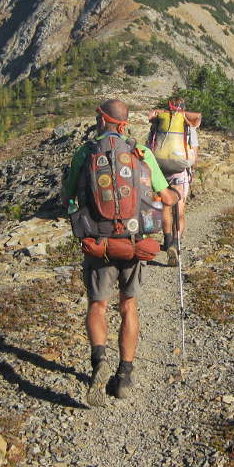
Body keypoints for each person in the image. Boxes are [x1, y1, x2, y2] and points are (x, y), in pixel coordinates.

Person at [63, 99, 178, 399]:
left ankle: (99, 361)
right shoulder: (142, 153)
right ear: (124, 123)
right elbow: (165, 197)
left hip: (99, 245)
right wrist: (174, 195)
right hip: (133, 244)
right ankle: (124, 374)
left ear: (102, 120)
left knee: (97, 306)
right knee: (128, 307)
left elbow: (69, 197)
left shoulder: (85, 153)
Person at [147, 98, 202, 266]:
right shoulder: (188, 127)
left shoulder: (159, 123)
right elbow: (194, 152)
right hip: (179, 172)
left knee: (165, 206)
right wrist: (192, 169)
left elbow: (150, 144)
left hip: (160, 169)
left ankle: (167, 239)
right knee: (179, 211)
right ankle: (175, 243)